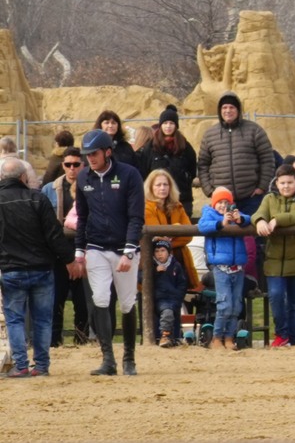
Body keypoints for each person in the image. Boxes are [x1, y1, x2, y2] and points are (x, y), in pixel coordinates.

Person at [72, 128, 144, 376]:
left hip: (124, 247)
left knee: (127, 302)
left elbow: (136, 216)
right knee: (101, 299)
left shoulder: (129, 175)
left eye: (94, 153)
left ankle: (129, 359)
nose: (90, 158)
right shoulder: (83, 177)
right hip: (96, 247)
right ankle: (108, 359)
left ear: (107, 152)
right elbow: (82, 216)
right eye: (87, 154)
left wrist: (129, 251)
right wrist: (79, 251)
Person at [1, 154, 69, 377]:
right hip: (41, 268)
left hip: (11, 269)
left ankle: (21, 365)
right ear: (23, 177)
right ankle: (41, 365)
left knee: (15, 319)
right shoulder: (38, 199)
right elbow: (54, 234)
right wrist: (69, 259)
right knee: (42, 320)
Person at [253, 166, 295, 346]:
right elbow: (258, 213)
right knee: (276, 295)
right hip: (275, 260)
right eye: (282, 183)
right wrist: (260, 220)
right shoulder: (269, 198)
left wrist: (278, 220)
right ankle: (282, 333)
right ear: (277, 183)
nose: (286, 186)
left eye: (290, 182)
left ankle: (292, 339)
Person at [197, 93, 277, 216]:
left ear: (238, 110)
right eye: (224, 107)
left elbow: (268, 160)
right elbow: (203, 165)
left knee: (251, 228)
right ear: (219, 110)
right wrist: (209, 191)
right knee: (225, 229)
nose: (228, 111)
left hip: (251, 198)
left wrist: (262, 187)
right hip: (222, 200)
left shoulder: (255, 130)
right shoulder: (209, 135)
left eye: (231, 107)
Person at [140, 169, 194, 344]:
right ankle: (155, 338)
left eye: (165, 184)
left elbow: (188, 234)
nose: (162, 188)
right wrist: (175, 231)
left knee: (176, 299)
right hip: (154, 262)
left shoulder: (178, 206)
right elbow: (155, 235)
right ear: (151, 187)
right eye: (158, 185)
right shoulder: (146, 207)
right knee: (155, 301)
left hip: (177, 261)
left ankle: (175, 337)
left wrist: (169, 238)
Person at [41, 144, 88, 347]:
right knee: (55, 300)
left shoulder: (89, 187)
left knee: (82, 301)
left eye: (76, 164)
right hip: (58, 252)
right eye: (68, 164)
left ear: (82, 165)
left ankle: (82, 340)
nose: (72, 169)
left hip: (83, 249)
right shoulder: (49, 189)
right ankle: (54, 342)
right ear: (63, 165)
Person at [196, 189, 251, 349]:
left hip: (237, 267)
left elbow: (249, 219)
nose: (223, 205)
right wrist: (221, 223)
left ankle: (229, 337)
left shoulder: (235, 215)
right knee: (224, 304)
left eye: (226, 202)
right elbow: (203, 226)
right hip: (221, 267)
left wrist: (240, 219)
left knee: (236, 306)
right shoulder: (209, 214)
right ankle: (217, 337)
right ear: (214, 204)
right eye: (220, 202)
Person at [132, 107, 198, 216]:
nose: (168, 126)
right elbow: (144, 171)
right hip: (156, 200)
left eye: (171, 123)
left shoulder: (185, 146)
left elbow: (192, 169)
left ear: (176, 125)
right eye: (165, 123)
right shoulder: (151, 146)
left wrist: (184, 178)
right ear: (161, 125)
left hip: (182, 198)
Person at [147, 238, 191, 346]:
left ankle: (175, 338)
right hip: (159, 298)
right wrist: (155, 271)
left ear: (169, 252)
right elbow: (141, 278)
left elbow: (182, 283)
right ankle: (164, 336)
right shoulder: (150, 266)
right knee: (167, 314)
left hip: (174, 298)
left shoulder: (176, 265)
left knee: (175, 318)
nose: (159, 254)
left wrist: (179, 296)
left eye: (162, 250)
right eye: (156, 251)